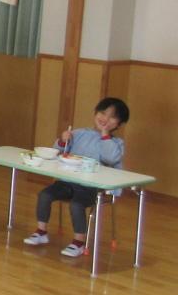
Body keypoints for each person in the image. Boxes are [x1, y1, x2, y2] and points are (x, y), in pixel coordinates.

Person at [24, 97, 129, 258]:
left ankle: (79, 242)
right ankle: (41, 231)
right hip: (67, 181)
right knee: (44, 195)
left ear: (119, 124)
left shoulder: (116, 143)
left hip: (92, 187)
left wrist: (105, 134)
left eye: (112, 117)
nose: (105, 119)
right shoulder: (80, 133)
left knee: (76, 204)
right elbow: (58, 151)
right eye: (102, 113)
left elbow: (110, 158)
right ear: (95, 113)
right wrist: (62, 140)